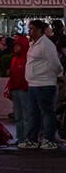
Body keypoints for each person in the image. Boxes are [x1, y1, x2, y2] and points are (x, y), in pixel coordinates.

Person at [24, 19, 63, 149]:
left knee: (47, 112)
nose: (29, 31)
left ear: (40, 30)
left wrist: (60, 74)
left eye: (32, 29)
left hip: (45, 83)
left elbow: (55, 62)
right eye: (29, 28)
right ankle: (32, 139)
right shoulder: (32, 44)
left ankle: (49, 139)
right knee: (33, 114)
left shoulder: (46, 44)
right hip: (33, 84)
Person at [4, 35, 34, 148]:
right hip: (18, 89)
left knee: (24, 114)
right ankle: (22, 138)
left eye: (18, 45)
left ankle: (24, 138)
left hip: (22, 89)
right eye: (15, 45)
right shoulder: (17, 58)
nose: (16, 47)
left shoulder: (23, 58)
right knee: (20, 115)